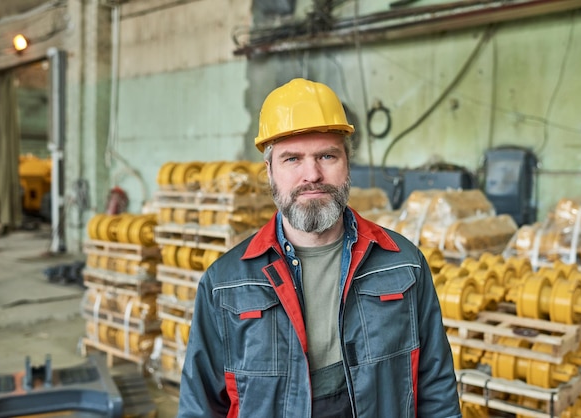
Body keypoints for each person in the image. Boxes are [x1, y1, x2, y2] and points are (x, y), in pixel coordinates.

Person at [177, 78, 461, 417]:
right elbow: (201, 406)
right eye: (292, 159)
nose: (312, 174)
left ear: (347, 163)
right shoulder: (224, 283)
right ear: (269, 171)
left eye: (327, 155)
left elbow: (437, 390)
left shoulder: (403, 265)